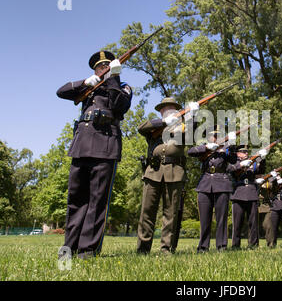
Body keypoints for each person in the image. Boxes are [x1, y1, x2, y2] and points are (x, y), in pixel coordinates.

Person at [57, 50, 132, 259]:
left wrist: (114, 78)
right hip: (81, 146)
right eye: (100, 67)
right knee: (75, 200)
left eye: (108, 66)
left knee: (97, 201)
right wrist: (85, 82)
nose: (104, 69)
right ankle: (68, 249)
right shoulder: (89, 89)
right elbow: (61, 92)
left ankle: (88, 250)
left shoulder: (122, 88)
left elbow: (120, 106)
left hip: (105, 147)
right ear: (95, 70)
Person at [136, 97, 199, 255]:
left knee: (170, 213)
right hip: (153, 172)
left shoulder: (183, 127)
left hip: (174, 172)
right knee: (147, 212)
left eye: (171, 107)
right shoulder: (154, 127)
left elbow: (193, 134)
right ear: (160, 111)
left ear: (177, 110)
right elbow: (141, 128)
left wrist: (194, 116)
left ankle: (166, 249)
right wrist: (164, 122)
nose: (167, 109)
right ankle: (142, 250)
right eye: (164, 108)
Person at [187, 125, 237, 252]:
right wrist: (207, 147)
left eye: (218, 136)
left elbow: (233, 159)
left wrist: (232, 145)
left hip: (222, 183)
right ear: (208, 137)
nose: (215, 138)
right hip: (204, 183)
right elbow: (190, 152)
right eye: (213, 136)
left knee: (221, 218)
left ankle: (222, 246)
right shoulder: (204, 147)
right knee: (204, 219)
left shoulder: (226, 149)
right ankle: (203, 246)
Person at [229, 145, 267, 249]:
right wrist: (240, 165)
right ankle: (235, 245)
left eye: (246, 151)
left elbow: (261, 170)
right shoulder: (233, 163)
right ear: (238, 153)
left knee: (253, 222)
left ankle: (253, 244)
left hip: (251, 193)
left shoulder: (252, 163)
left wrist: (262, 159)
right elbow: (230, 171)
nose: (246, 153)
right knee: (237, 223)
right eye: (243, 151)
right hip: (238, 193)